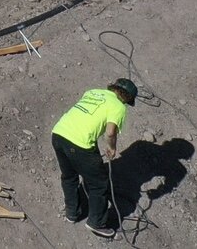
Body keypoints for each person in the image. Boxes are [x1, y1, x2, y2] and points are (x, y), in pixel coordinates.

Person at [50, 78, 138, 239]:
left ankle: (72, 213)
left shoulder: (92, 92)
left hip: (58, 134)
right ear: (126, 98)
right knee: (99, 184)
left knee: (69, 176)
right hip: (79, 144)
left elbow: (86, 120)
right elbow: (110, 132)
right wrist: (111, 147)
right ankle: (96, 223)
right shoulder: (118, 106)